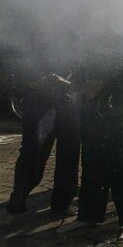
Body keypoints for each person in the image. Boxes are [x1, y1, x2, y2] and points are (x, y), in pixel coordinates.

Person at [59, 22, 123, 240]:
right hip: (91, 114)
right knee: (92, 164)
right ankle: (89, 215)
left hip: (115, 116)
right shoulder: (86, 41)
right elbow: (79, 73)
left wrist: (103, 83)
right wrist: (76, 86)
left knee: (120, 166)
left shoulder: (117, 41)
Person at [0, 13, 80, 226]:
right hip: (41, 104)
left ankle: (61, 202)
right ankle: (18, 200)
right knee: (33, 153)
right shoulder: (31, 35)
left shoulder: (70, 32)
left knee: (68, 155)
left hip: (66, 102)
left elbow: (80, 67)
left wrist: (67, 82)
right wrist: (40, 82)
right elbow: (18, 74)